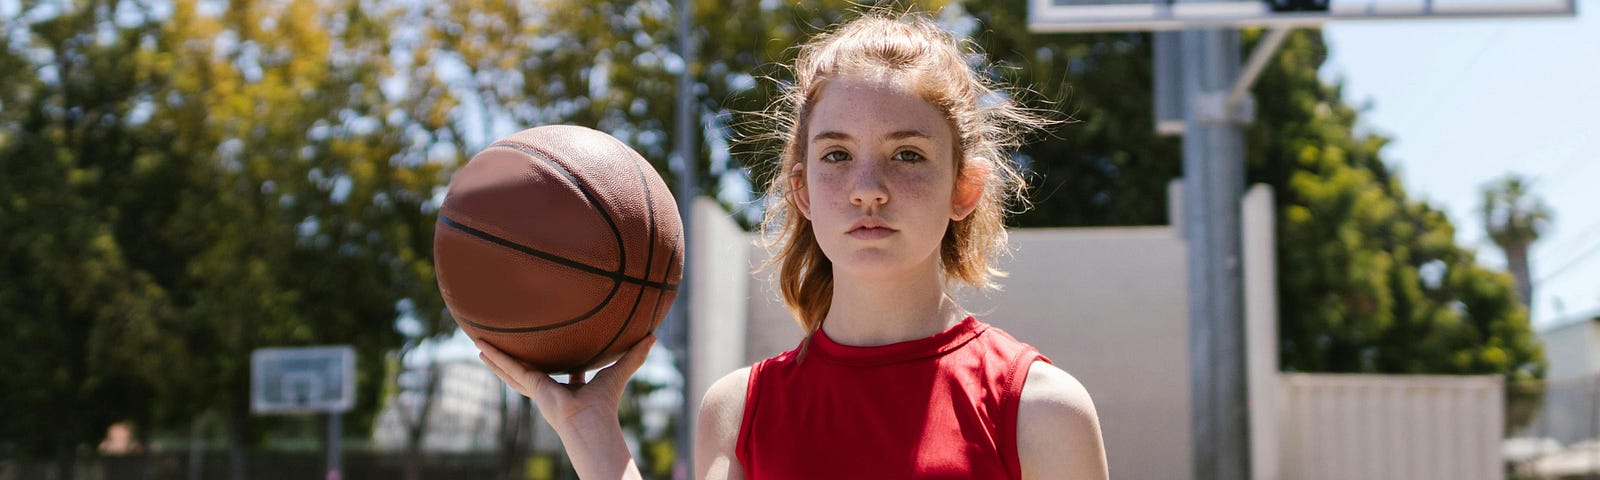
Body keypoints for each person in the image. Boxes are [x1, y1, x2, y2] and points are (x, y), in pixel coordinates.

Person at [476, 10, 1108, 479]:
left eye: (907, 155)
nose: (869, 189)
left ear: (963, 187)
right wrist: (588, 428)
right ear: (802, 190)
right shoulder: (739, 411)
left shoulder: (1040, 411)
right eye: (837, 155)